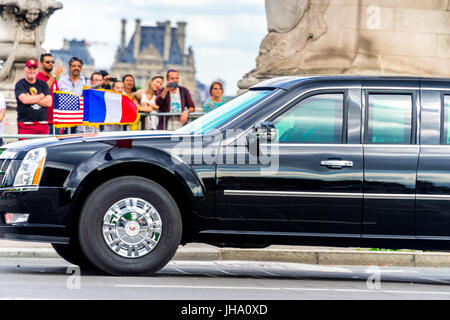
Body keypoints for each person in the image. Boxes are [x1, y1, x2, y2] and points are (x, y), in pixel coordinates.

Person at [15, 59, 52, 138]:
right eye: (29, 68)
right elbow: (24, 100)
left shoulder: (43, 84)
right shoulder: (20, 84)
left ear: (37, 70)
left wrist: (30, 98)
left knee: (42, 149)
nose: (31, 71)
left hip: (42, 126)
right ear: (25, 70)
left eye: (34, 68)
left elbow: (49, 102)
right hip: (25, 126)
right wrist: (41, 96)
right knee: (25, 149)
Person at [37, 53, 63, 134]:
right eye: (47, 62)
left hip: (55, 121)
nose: (51, 64)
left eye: (52, 62)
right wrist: (55, 75)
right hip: (44, 122)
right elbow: (44, 89)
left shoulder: (53, 79)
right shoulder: (38, 77)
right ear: (41, 64)